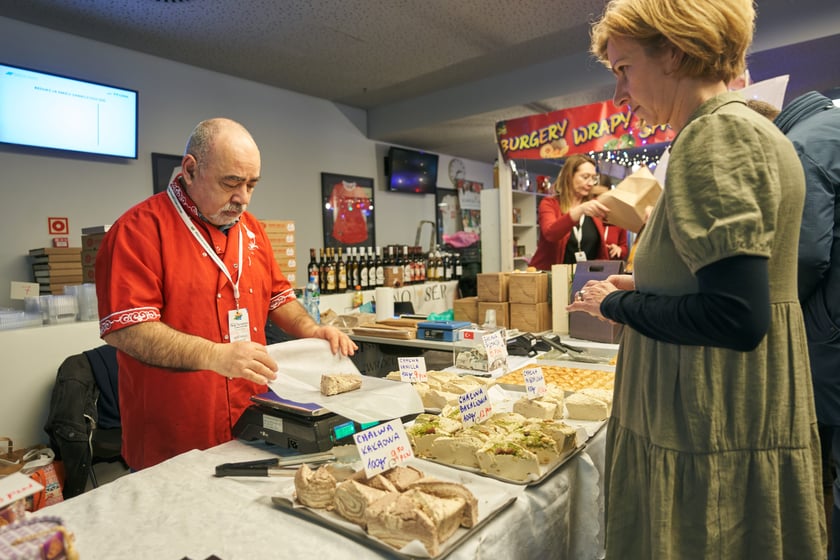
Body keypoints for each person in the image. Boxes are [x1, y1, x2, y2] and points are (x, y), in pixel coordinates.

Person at [567, 1, 826, 557]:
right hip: (721, 413)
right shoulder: (742, 128)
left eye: (623, 68)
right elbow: (723, 276)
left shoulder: (715, 139)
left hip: (710, 421)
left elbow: (735, 315)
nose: (619, 93)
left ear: (676, 53)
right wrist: (638, 287)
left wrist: (616, 308)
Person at [95, 118, 357, 471]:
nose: (243, 198)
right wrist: (215, 356)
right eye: (231, 183)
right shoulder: (138, 231)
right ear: (190, 169)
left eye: (251, 185)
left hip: (252, 417)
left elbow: (279, 297)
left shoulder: (252, 230)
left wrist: (311, 330)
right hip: (176, 434)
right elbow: (128, 330)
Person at [774, 90, 840, 558]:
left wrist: (771, 308)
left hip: (827, 335)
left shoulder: (801, 145)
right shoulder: (827, 132)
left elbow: (805, 256)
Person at [528, 154, 611, 270]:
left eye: (593, 178)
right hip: (551, 279)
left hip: (585, 279)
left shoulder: (594, 205)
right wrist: (580, 210)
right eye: (585, 177)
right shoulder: (549, 204)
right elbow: (550, 233)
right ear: (569, 176)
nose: (590, 183)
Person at [591, 176, 629, 261]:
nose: (597, 199)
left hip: (610, 268)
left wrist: (619, 249)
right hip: (585, 269)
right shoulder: (584, 217)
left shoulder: (617, 219)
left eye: (602, 195)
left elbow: (624, 247)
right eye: (594, 195)